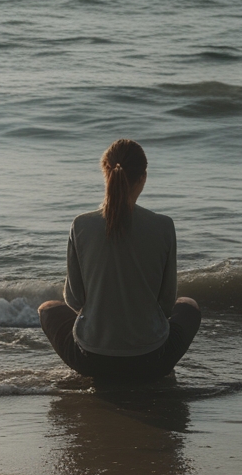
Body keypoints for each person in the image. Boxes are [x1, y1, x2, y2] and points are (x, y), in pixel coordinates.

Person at [39, 139, 201, 383]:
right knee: (189, 305)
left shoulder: (81, 225)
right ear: (143, 178)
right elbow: (167, 305)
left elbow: (74, 300)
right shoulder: (164, 226)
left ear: (105, 173)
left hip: (92, 359)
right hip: (152, 359)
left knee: (47, 308)